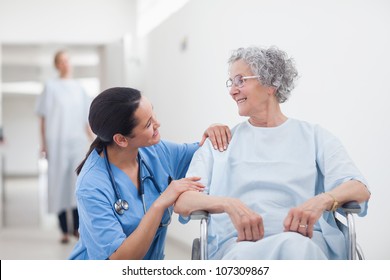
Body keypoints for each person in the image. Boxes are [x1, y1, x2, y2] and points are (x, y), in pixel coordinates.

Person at [174, 46, 371, 260]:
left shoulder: (314, 137)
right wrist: (227, 203)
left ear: (271, 83)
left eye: (241, 80)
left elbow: (359, 188)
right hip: (238, 245)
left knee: (297, 249)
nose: (232, 91)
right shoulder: (220, 143)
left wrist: (322, 200)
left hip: (305, 241)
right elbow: (184, 200)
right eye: (231, 82)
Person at [68, 87, 230, 260]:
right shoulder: (91, 185)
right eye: (148, 124)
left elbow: (203, 154)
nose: (157, 123)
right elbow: (119, 259)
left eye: (153, 114)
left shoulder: (155, 152)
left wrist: (214, 131)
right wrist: (160, 203)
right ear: (121, 139)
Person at [36, 50, 94, 244]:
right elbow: (43, 117)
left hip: (76, 142)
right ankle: (63, 229)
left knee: (76, 184)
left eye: (67, 60)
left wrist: (93, 140)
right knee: (59, 184)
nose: (65, 64)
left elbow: (86, 119)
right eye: (61, 61)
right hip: (56, 142)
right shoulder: (50, 87)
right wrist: (43, 143)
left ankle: (77, 228)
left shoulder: (79, 88)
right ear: (56, 65)